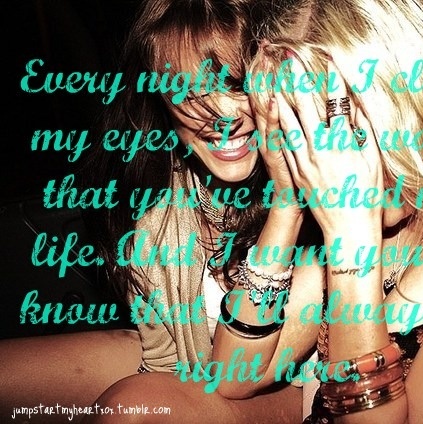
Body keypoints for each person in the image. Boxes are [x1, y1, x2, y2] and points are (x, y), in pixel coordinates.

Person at [1, 1, 323, 423]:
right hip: (191, 357)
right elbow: (163, 354)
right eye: (188, 91)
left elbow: (235, 377)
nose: (222, 117)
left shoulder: (322, 188)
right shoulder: (161, 195)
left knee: (132, 408)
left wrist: (286, 206)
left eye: (237, 84)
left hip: (298, 384)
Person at [246, 0, 423, 422]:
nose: (320, 166)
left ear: (406, 103)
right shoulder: (396, 211)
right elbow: (242, 374)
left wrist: (350, 239)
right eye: (300, 140)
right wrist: (287, 203)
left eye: (330, 135)